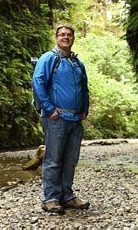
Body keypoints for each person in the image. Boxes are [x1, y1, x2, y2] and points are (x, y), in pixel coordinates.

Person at [32, 24, 90, 214]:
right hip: (56, 118)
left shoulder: (77, 63)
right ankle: (50, 199)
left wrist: (85, 110)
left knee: (70, 160)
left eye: (69, 35)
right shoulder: (49, 58)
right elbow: (38, 82)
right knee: (53, 160)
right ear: (57, 38)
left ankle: (67, 196)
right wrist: (49, 110)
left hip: (75, 119)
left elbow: (84, 88)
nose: (66, 37)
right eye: (62, 35)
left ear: (73, 38)